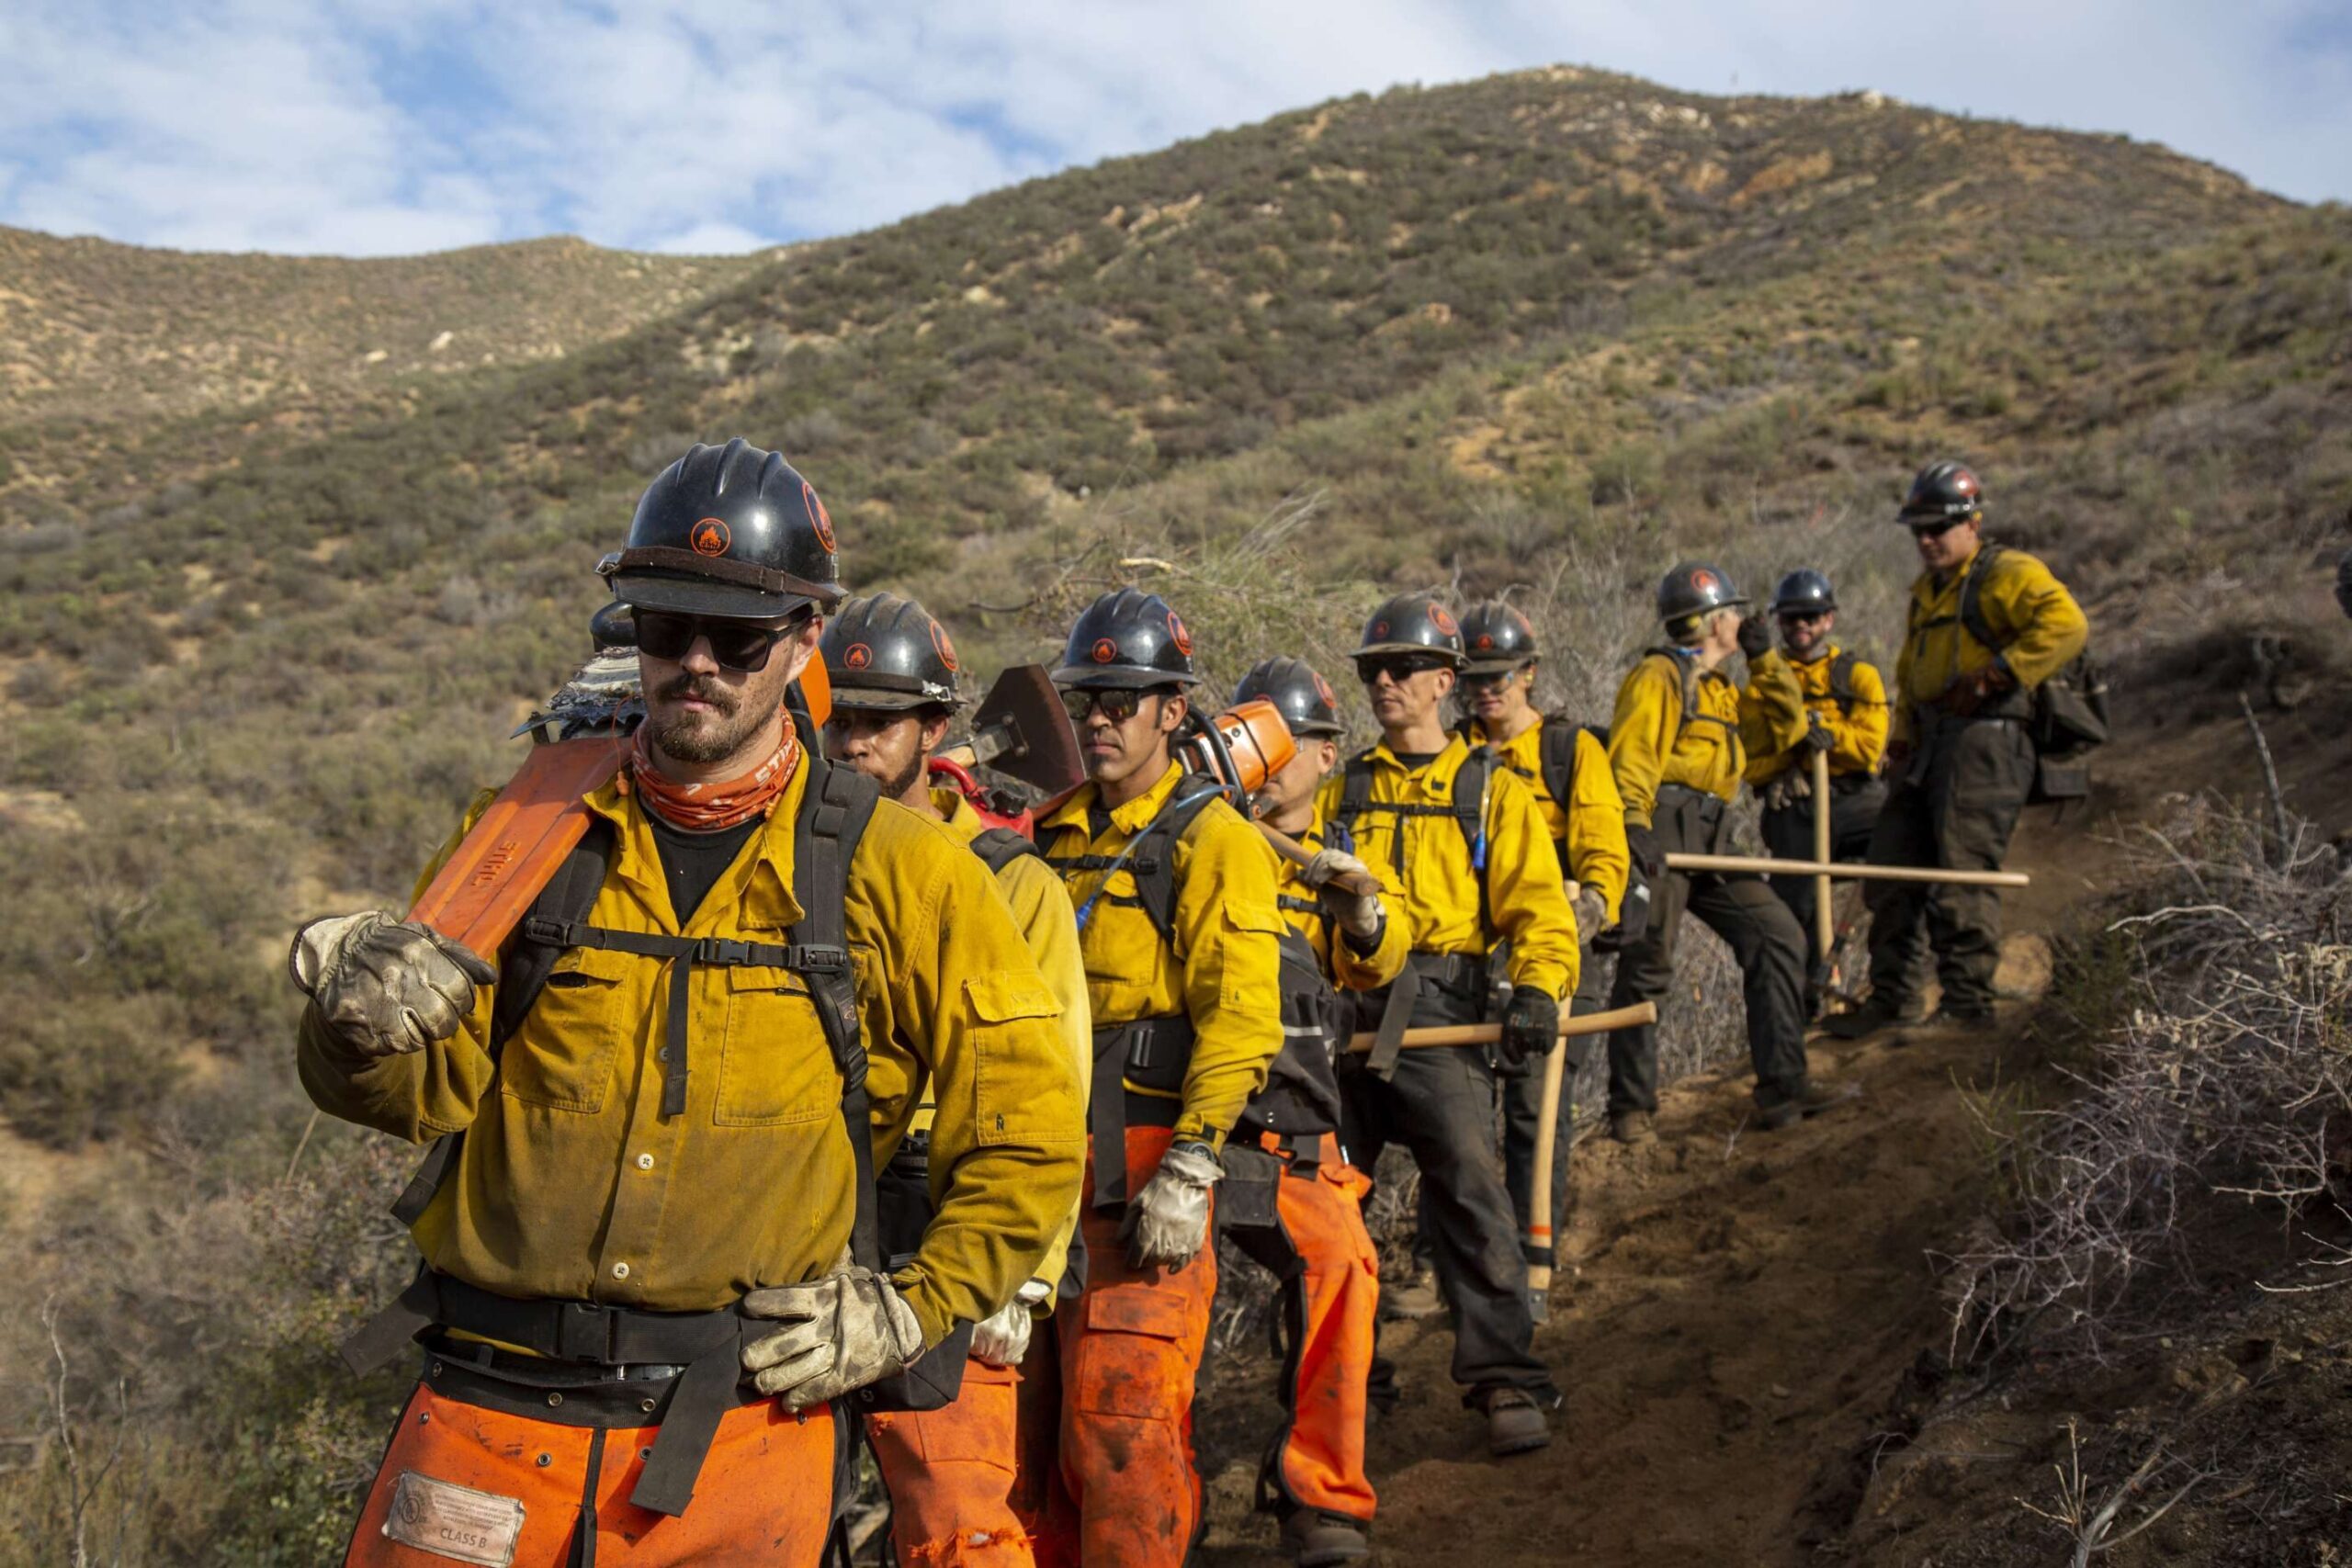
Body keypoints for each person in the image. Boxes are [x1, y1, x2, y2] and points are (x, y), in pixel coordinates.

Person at [292, 438, 1085, 1567]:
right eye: (669, 627)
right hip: (485, 1414)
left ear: (805, 641)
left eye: (740, 635)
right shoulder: (520, 834)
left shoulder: (909, 873)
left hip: (739, 1434)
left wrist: (915, 1304)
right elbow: (410, 1092)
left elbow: (1031, 1128)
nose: (699, 662)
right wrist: (350, 1020)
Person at [820, 592, 1093, 1568]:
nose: (849, 741)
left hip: (944, 1219)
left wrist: (1024, 1280)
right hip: (807, 1206)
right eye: (835, 716)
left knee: (954, 1507)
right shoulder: (787, 864)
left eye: (876, 720)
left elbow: (1047, 1090)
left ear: (932, 728)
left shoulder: (1009, 879)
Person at [1032, 588, 1286, 1568]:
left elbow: (1239, 1017)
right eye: (1085, 698)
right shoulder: (1048, 837)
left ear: (1171, 711)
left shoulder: (1212, 839)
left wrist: (1191, 1163)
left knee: (1123, 1426)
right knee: (1039, 1441)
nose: (1098, 717)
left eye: (1121, 700)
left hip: (1139, 1160)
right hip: (1035, 1159)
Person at [1319, 592, 1577, 1457]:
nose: (1383, 682)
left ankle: (1505, 1375)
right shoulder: (1340, 788)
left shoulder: (1492, 791)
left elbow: (1541, 913)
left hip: (1443, 1015)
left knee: (1469, 1185)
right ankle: (1343, 1386)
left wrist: (1538, 990)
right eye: (1370, 670)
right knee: (1320, 1207)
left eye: (1400, 668)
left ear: (1443, 681)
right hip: (1341, 1011)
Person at [1227, 656, 1405, 1567]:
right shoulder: (1201, 839)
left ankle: (1319, 1499)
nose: (1266, 760)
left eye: (1285, 744)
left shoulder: (1336, 864)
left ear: (1324, 755)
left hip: (1291, 1119)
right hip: (1176, 1112)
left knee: (1342, 1259)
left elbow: (1378, 958)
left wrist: (1362, 916)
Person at [1831, 462, 2088, 1037]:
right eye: (1918, 530)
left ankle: (1967, 1004)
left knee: (1962, 869)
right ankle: (1892, 998)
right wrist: (1900, 740)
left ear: (1972, 522)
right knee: (1892, 869)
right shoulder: (1929, 589)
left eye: (1937, 528)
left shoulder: (2007, 573)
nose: (1926, 541)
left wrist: (1999, 675)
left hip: (1985, 739)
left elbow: (2067, 625)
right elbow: (1909, 672)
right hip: (1929, 739)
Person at [1602, 562, 1826, 1144]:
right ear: (1709, 622)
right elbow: (1633, 758)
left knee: (1777, 935)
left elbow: (1784, 728)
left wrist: (1766, 662)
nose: (1742, 621)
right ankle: (1631, 1111)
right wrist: (1633, 833)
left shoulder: (1724, 690)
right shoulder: (1658, 677)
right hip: (1663, 830)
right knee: (1648, 963)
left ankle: (1784, 1089)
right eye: (1732, 613)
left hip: (1714, 835)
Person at [1453, 601, 1627, 1315]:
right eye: (1475, 679)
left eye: (1501, 676)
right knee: (1459, 1120)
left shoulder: (1570, 750)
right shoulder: (1452, 752)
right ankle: (1459, 1265)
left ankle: (1532, 1264)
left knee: (1535, 1110)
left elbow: (1604, 854)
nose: (1487, 690)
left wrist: (1581, 912)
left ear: (1529, 673)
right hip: (1467, 962)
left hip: (1550, 957)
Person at [1742, 570, 1888, 1015]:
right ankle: (1803, 1007)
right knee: (1794, 907)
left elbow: (1868, 749)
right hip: (1798, 806)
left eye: (1810, 616)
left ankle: (1894, 988)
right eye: (1790, 619)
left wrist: (1827, 736)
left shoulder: (1859, 676)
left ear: (1828, 619)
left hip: (1857, 800)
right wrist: (1789, 765)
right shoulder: (1761, 685)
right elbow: (1748, 759)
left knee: (1899, 862)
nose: (1800, 625)